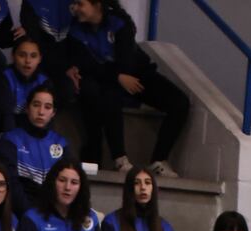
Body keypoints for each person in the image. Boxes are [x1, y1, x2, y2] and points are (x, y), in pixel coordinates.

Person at [65, 0, 188, 176]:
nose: (75, 9)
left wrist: (120, 75)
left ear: (97, 4)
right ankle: (119, 158)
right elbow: (86, 65)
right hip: (108, 81)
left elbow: (126, 62)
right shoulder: (76, 30)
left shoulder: (120, 23)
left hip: (136, 75)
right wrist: (117, 76)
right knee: (108, 95)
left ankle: (159, 159)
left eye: (80, 4)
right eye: (74, 4)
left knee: (180, 102)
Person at [0, 85, 68, 207]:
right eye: (36, 105)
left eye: (47, 107)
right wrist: (30, 214)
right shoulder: (11, 140)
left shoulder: (61, 143)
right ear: (27, 108)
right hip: (19, 211)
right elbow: (10, 183)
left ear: (53, 113)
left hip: (52, 211)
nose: (41, 112)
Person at [100, 166, 173, 231]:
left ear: (153, 189)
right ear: (129, 189)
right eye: (136, 183)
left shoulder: (167, 229)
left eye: (147, 183)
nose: (143, 187)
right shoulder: (111, 223)